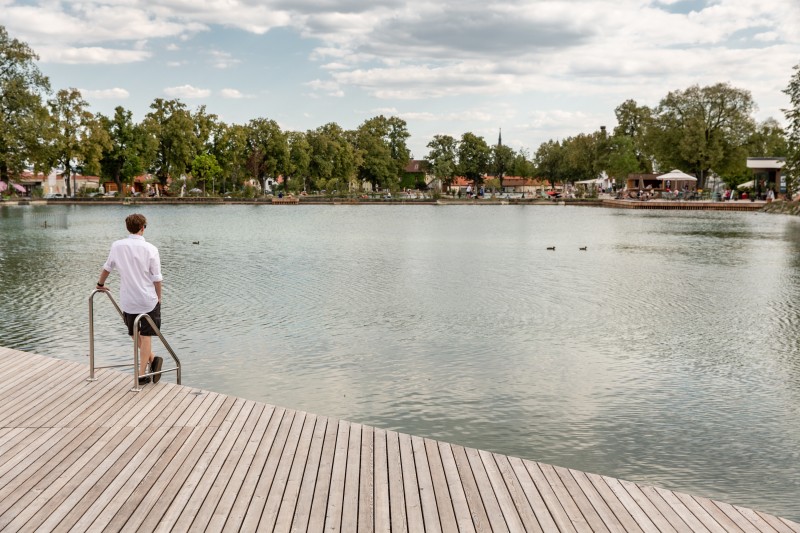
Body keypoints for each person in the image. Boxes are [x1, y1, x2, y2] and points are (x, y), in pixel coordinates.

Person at [96, 213, 163, 385]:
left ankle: (150, 363)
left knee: (134, 333)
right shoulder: (151, 249)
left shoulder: (117, 246)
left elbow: (107, 267)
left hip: (128, 299)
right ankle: (143, 372)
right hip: (148, 299)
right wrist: (159, 298)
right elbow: (156, 278)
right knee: (146, 336)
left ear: (128, 228)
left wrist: (100, 284)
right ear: (142, 228)